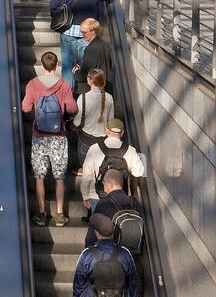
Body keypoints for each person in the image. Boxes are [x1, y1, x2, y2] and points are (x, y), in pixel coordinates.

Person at [21, 49, 77, 227]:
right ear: (57, 66)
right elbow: (72, 108)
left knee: (39, 176)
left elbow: (25, 107)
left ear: (42, 65)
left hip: (39, 136)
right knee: (60, 177)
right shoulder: (64, 85)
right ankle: (60, 214)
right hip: (59, 135)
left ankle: (42, 213)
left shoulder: (32, 84)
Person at [48, 0, 112, 84]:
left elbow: (53, 6)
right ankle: (85, 95)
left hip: (67, 31)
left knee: (67, 66)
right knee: (87, 67)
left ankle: (69, 96)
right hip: (87, 33)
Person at [79, 117, 145, 211]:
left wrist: (85, 196)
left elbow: (87, 176)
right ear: (122, 133)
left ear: (106, 131)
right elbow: (138, 172)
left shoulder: (94, 149)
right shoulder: (130, 150)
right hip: (121, 196)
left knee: (100, 223)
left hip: (97, 196)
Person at [83, 168, 141, 251]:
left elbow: (92, 234)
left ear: (110, 184)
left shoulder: (104, 203)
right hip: (132, 251)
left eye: (104, 182)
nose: (103, 185)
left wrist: (88, 251)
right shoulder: (134, 202)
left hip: (112, 253)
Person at [72, 68, 114, 166]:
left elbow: (77, 122)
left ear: (90, 80)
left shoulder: (83, 97)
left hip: (86, 138)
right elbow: (111, 121)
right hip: (102, 139)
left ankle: (83, 170)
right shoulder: (109, 97)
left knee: (85, 164)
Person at [72, 16, 113, 94]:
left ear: (93, 31)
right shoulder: (106, 45)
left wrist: (76, 72)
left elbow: (84, 75)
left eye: (84, 32)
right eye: (81, 32)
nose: (82, 35)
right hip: (105, 87)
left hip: (92, 91)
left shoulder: (91, 49)